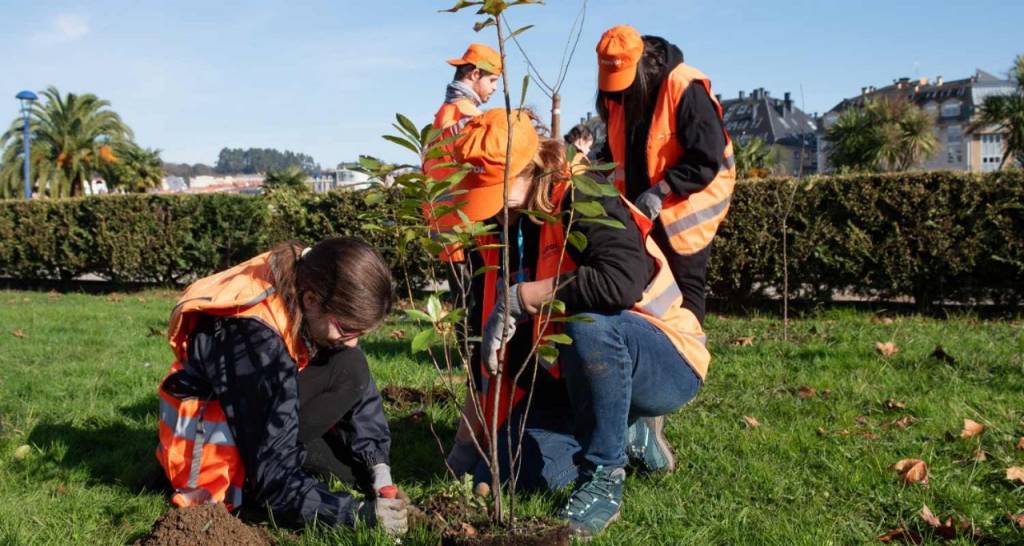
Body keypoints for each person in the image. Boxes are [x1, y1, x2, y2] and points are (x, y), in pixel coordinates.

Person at [441, 109, 710, 537]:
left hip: (661, 356)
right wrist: (465, 446)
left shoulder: (582, 192)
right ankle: (624, 433)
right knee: (507, 474)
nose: (489, 210)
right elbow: (490, 346)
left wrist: (523, 296)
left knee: (588, 324)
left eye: (496, 193)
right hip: (568, 376)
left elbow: (619, 283)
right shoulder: (495, 228)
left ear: (532, 169)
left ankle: (604, 476)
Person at [155, 237, 408, 535]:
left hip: (245, 410)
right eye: (348, 329)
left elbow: (359, 390)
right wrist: (354, 515)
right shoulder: (255, 341)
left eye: (361, 332)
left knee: (349, 367)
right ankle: (246, 489)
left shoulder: (305, 271)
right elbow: (274, 479)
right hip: (214, 465)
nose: (354, 341)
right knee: (316, 475)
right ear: (312, 300)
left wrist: (378, 465)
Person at [594, 25, 736, 325]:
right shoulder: (618, 96)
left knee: (684, 293)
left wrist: (662, 190)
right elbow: (614, 150)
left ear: (642, 67)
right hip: (642, 213)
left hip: (687, 209)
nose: (620, 91)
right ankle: (656, 359)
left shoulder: (684, 86)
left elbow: (706, 157)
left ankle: (690, 363)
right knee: (647, 290)